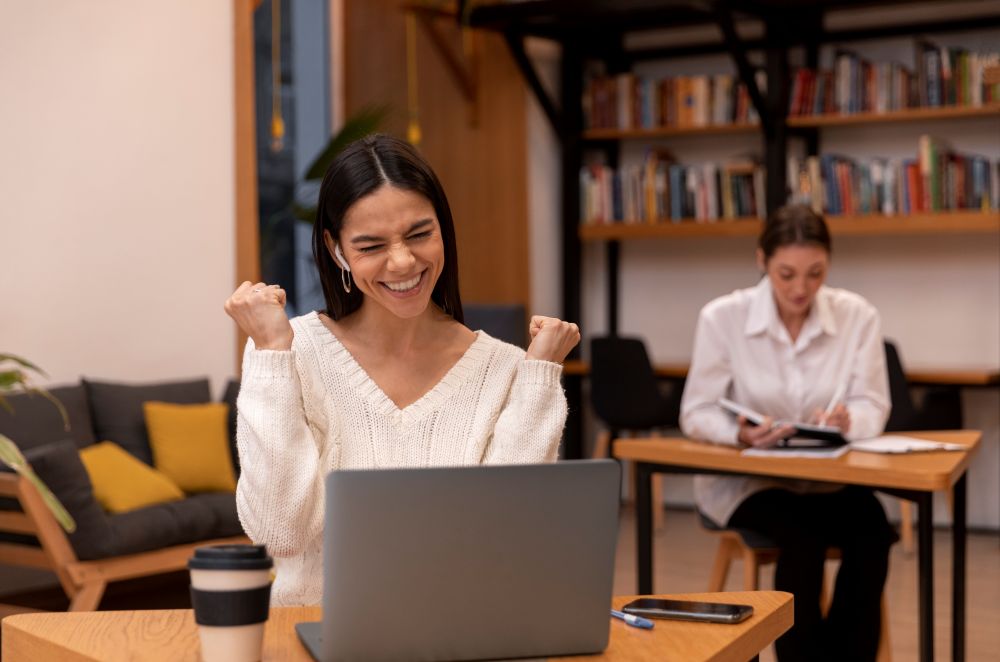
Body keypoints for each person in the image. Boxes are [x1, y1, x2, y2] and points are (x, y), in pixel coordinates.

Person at [224, 134, 580, 606]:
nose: (403, 262)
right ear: (336, 251)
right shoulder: (289, 354)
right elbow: (278, 532)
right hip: (312, 637)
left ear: (443, 229)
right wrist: (270, 352)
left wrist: (539, 377)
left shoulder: (510, 370)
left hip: (461, 643)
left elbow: (508, 537)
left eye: (419, 234)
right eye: (370, 245)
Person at [679, 204, 895, 662]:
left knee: (874, 528)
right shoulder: (723, 317)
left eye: (815, 273)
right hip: (750, 481)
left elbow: (873, 403)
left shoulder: (858, 315)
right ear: (762, 261)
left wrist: (847, 421)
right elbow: (696, 411)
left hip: (829, 478)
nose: (801, 288)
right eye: (787, 274)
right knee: (802, 534)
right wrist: (739, 433)